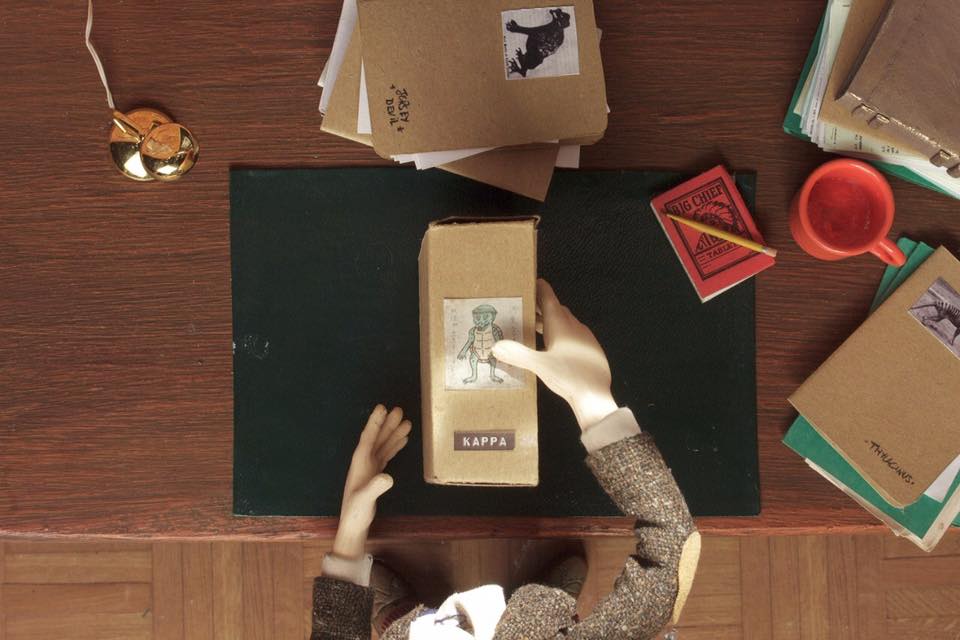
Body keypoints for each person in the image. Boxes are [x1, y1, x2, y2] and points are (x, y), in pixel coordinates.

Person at [311, 280, 701, 640]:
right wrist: (594, 402)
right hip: (540, 626)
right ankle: (557, 607)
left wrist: (347, 546)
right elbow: (670, 558)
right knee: (547, 613)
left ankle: (395, 615)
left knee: (403, 622)